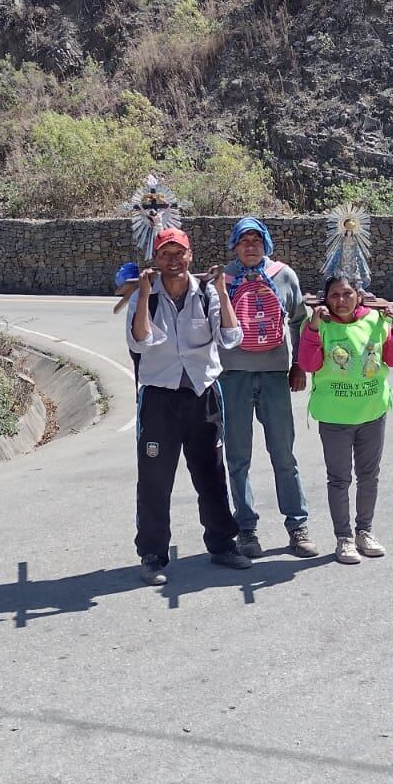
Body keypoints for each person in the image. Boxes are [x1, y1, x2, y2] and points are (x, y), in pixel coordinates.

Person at [126, 227, 254, 585]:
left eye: (178, 252)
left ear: (190, 256)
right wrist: (145, 293)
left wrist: (223, 294)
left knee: (211, 473)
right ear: (155, 259)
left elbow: (231, 338)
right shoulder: (145, 297)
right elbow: (140, 342)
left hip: (203, 396)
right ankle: (152, 554)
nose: (172, 259)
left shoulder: (206, 295)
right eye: (165, 253)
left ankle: (222, 544)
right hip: (159, 399)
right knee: (154, 479)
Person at [219, 216, 316, 559]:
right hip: (233, 377)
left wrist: (298, 365)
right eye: (243, 240)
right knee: (238, 457)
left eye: (256, 240)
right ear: (233, 245)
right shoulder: (222, 279)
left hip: (275, 375)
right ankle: (246, 529)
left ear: (266, 244)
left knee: (284, 455)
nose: (250, 246)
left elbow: (299, 321)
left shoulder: (283, 275)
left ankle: (297, 525)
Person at [297, 274, 393, 564]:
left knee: (369, 476)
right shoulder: (321, 326)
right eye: (334, 295)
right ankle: (344, 538)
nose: (341, 300)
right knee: (339, 478)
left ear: (359, 296)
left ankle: (365, 532)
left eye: (347, 293)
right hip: (335, 418)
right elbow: (308, 363)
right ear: (326, 299)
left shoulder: (377, 321)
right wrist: (312, 327)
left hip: (371, 413)